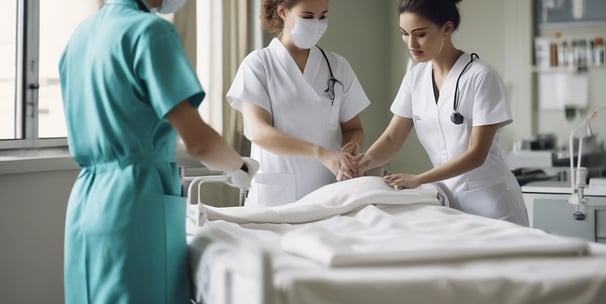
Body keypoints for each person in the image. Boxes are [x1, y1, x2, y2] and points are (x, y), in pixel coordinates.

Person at [59, 0, 258, 303]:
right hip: (135, 202)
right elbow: (199, 141)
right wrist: (239, 167)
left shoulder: (80, 36)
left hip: (85, 204)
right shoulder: (149, 32)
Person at [353, 0, 529, 226]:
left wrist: (419, 179)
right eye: (404, 34)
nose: (411, 43)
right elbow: (392, 138)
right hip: (449, 203)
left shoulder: (481, 76)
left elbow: (477, 154)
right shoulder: (414, 79)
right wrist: (362, 164)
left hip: (493, 203)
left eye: (420, 34)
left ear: (447, 28)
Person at [226, 0, 371, 207]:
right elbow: (259, 133)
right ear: (283, 12)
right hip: (276, 200)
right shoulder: (258, 65)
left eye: (323, 16)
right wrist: (321, 153)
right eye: (308, 17)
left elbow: (354, 128)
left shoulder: (337, 67)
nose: (317, 24)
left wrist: (350, 148)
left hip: (329, 194)